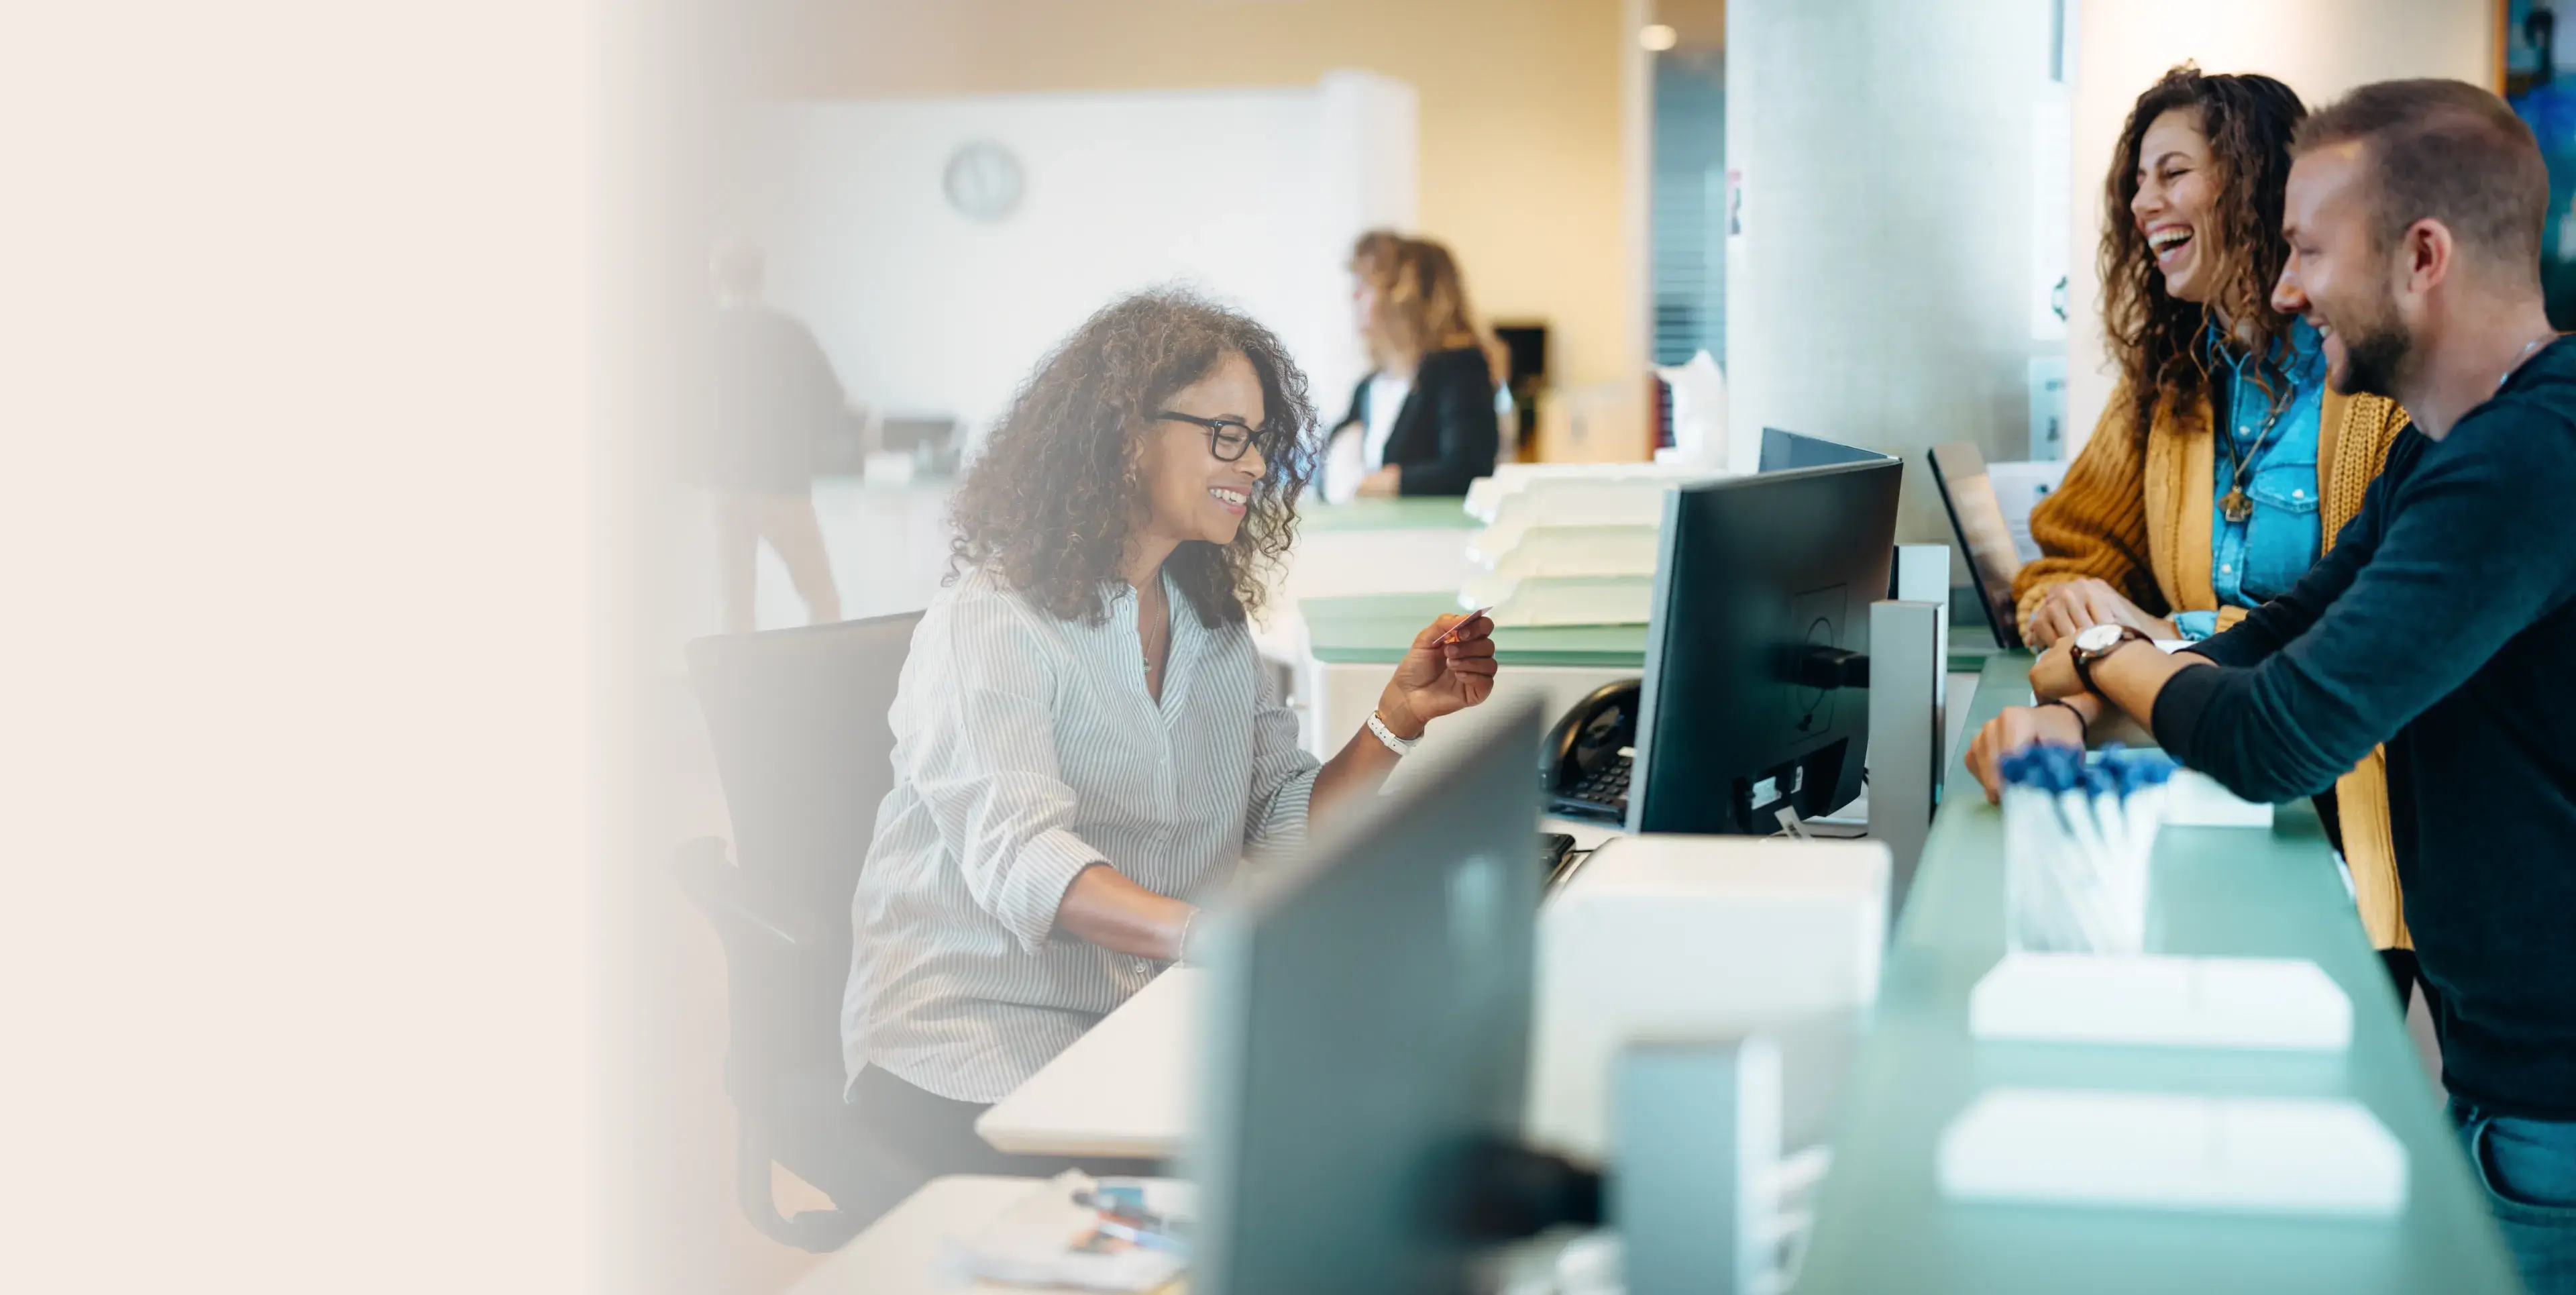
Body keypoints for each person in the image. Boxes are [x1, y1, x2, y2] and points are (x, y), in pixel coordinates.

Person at [1966, 80, 2576, 1293]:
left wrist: (2098, 656)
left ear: (2422, 257)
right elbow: (2280, 633)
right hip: (2490, 1056)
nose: (2287, 289)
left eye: (2307, 252)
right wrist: (2081, 702)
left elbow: (2278, 732)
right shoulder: (2442, 446)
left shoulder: (2524, 465)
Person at [839, 288, 1501, 1195]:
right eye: (1226, 433)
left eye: (1262, 438)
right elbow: (1026, 859)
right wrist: (1213, 936)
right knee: (1285, 1176)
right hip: (970, 1046)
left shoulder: (1211, 622)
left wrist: (1395, 719)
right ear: (1123, 435)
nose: (1254, 461)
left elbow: (1275, 819)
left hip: (1135, 1023)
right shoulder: (989, 623)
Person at [2011, 67, 2418, 998]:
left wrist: (2147, 642)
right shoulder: (2170, 381)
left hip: (2339, 789)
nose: (2141, 200)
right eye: (2137, 180)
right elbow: (2066, 551)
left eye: (2172, 173)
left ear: (2253, 179)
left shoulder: (2372, 380)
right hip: (2200, 759)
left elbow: (2371, 622)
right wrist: (2069, 605)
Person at [703, 239, 844, 633]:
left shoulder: (703, 337)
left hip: (724, 488)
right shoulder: (788, 333)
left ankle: (737, 693)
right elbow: (831, 401)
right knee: (822, 599)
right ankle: (823, 685)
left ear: (715, 279)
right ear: (762, 277)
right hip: (780, 486)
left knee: (735, 609)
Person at [1324, 232, 1505, 500]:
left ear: (1406, 298)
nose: (1354, 296)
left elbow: (1467, 469)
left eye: (1368, 286)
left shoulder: (1459, 370)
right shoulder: (1368, 386)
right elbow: (1329, 470)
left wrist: (1373, 485)